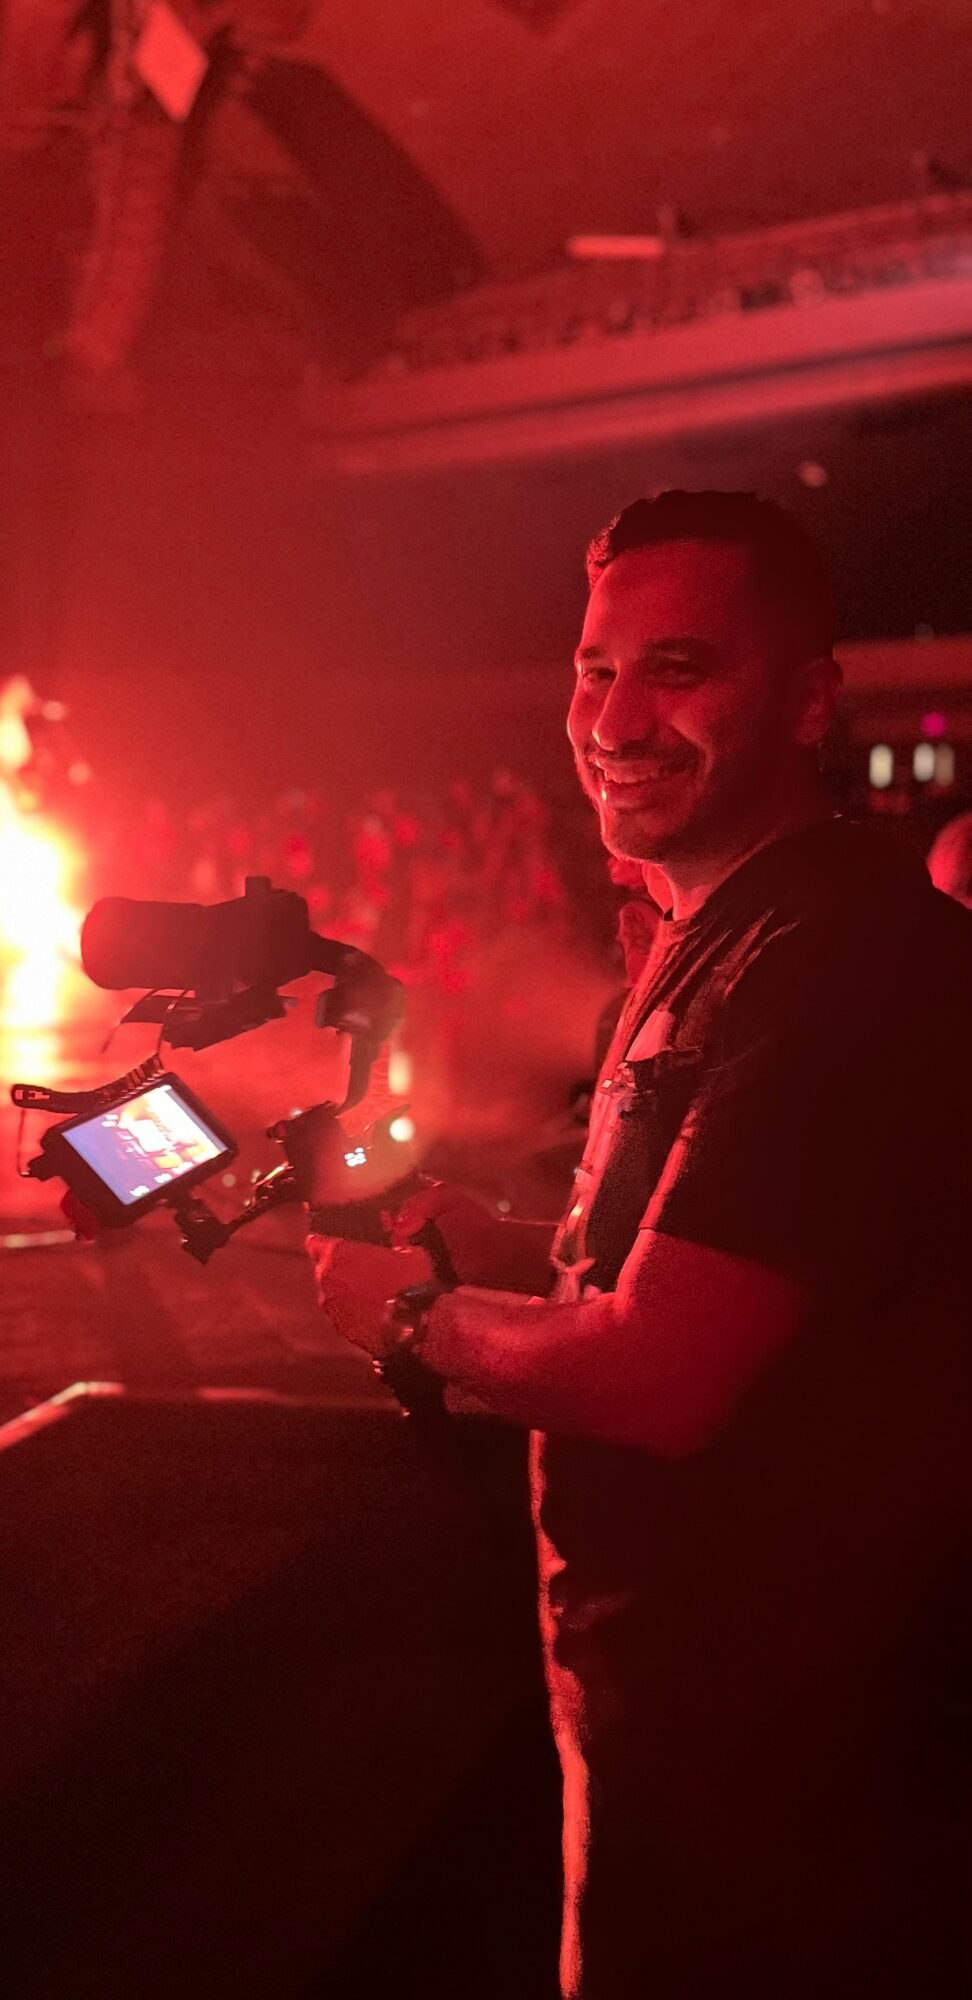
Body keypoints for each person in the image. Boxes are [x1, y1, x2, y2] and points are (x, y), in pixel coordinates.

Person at [311, 491, 972, 1997]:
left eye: (679, 669)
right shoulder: (728, 927)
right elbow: (731, 1243)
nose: (616, 717)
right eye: (595, 671)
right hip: (713, 1706)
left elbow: (664, 1369)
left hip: (782, 1744)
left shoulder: (832, 961)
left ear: (810, 703)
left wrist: (412, 1321)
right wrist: (507, 1239)